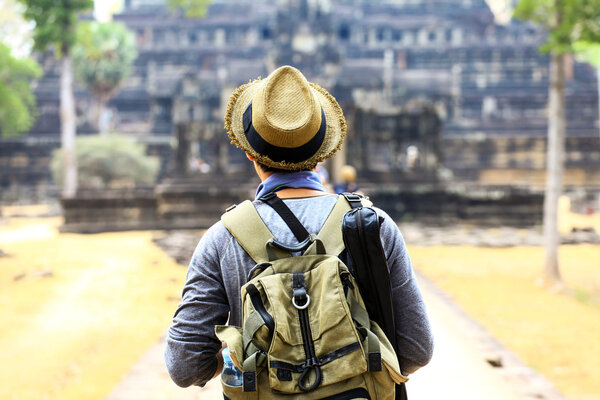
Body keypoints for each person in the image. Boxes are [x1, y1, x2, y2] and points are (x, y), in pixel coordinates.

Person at [164, 65, 433, 391]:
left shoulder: (224, 239)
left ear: (250, 154)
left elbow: (184, 365)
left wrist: (234, 358)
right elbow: (416, 349)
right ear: (322, 153)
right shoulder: (374, 226)